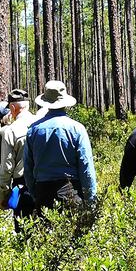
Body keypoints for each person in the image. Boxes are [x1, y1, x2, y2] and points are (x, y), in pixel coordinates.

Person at [24, 80, 97, 212]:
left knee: (44, 231)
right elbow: (86, 166)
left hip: (43, 192)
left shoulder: (33, 130)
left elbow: (28, 167)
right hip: (71, 191)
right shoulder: (77, 128)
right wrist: (91, 199)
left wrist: (35, 193)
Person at [0, 89, 37, 229]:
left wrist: (4, 195)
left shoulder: (11, 131)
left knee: (24, 232)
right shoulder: (41, 124)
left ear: (13, 107)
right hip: (45, 184)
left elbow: (7, 168)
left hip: (22, 187)